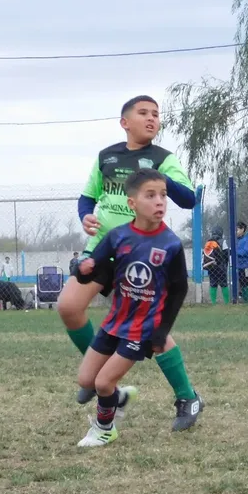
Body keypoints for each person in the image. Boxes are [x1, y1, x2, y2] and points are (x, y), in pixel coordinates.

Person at [59, 95, 201, 431]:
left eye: (156, 114)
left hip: (143, 254)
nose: (152, 118)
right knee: (68, 306)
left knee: (149, 329)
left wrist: (157, 178)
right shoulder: (106, 156)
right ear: (125, 122)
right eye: (143, 113)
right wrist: (86, 217)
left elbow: (189, 198)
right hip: (104, 247)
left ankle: (188, 396)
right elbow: (87, 197)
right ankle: (102, 379)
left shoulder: (162, 159)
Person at [73, 168, 196, 445]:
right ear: (132, 204)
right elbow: (95, 271)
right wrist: (83, 269)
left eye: (163, 195)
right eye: (150, 195)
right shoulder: (118, 236)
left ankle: (105, 429)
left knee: (104, 383)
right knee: (87, 380)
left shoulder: (171, 244)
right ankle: (121, 398)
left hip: (142, 329)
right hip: (114, 322)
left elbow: (179, 290)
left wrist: (162, 330)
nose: (160, 202)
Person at [203, 227, 230, 304]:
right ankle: (226, 302)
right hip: (221, 267)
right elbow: (226, 254)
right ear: (221, 233)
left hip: (211, 267)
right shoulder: (223, 241)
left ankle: (213, 302)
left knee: (213, 284)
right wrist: (225, 263)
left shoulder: (208, 242)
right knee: (224, 284)